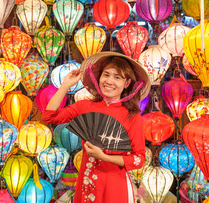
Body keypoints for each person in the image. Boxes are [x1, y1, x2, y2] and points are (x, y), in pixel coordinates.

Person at [41, 52, 151, 203]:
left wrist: (103, 157)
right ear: (99, 77)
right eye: (106, 75)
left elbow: (138, 159)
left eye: (117, 77)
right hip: (87, 183)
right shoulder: (84, 106)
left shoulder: (132, 116)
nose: (109, 81)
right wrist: (65, 86)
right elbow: (49, 117)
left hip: (115, 186)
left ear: (127, 84)